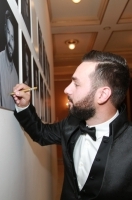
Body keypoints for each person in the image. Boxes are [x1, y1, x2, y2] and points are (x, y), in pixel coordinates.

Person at [12, 50, 132, 200]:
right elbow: (41, 133)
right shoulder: (71, 124)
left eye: (76, 84)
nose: (66, 89)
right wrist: (24, 106)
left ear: (102, 95)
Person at [0, 10, 18, 110]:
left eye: (13, 38)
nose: (10, 43)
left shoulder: (15, 73)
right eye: (8, 34)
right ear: (4, 30)